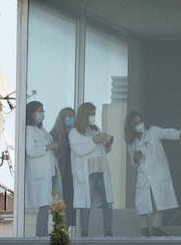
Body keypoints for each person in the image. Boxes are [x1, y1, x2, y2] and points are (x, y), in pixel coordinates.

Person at [124, 110, 181, 236]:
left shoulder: (153, 132)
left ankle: (155, 228)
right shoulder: (131, 143)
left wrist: (179, 134)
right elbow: (132, 164)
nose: (140, 124)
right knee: (142, 206)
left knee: (160, 203)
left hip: (158, 173)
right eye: (136, 123)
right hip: (144, 177)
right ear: (130, 126)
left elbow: (167, 132)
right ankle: (144, 232)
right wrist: (135, 159)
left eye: (140, 121)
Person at [68, 101, 114, 237]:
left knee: (108, 203)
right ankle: (84, 233)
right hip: (87, 173)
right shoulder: (74, 132)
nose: (93, 116)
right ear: (84, 115)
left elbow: (102, 151)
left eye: (94, 113)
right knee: (86, 204)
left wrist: (107, 143)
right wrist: (95, 141)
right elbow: (79, 150)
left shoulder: (95, 129)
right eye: (91, 114)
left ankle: (108, 231)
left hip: (101, 171)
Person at [21, 101, 59, 236]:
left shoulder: (43, 130)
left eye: (43, 111)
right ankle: (40, 232)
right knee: (44, 203)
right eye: (39, 111)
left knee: (48, 203)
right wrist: (49, 147)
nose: (41, 114)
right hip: (39, 173)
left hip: (49, 172)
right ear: (31, 113)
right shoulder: (28, 130)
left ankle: (47, 230)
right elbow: (30, 151)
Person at [50, 107, 76, 225]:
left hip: (74, 174)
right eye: (68, 116)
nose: (71, 118)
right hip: (61, 173)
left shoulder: (76, 133)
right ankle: (61, 232)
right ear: (62, 118)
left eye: (72, 116)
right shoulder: (55, 134)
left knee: (73, 205)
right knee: (61, 204)